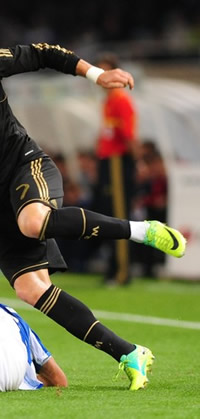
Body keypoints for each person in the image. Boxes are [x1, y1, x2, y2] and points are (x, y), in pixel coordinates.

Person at [0, 28, 188, 390]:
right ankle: (129, 353)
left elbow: (42, 53)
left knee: (32, 222)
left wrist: (96, 74)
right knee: (31, 289)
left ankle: (141, 230)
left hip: (26, 166)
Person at [92, 53, 138, 285]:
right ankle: (114, 267)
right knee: (109, 214)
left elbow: (128, 136)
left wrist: (138, 162)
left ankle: (122, 271)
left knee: (119, 215)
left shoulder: (120, 100)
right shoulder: (108, 102)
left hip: (118, 161)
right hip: (108, 161)